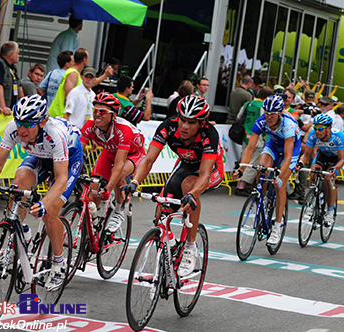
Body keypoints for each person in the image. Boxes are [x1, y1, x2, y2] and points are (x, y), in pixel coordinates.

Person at [0, 94, 83, 291]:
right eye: (19, 122)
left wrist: (44, 204)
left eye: (28, 124)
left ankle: (58, 264)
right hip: (40, 155)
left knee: (51, 212)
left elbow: (61, 179)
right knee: (18, 185)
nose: (21, 129)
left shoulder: (55, 134)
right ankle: (22, 234)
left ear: (42, 122)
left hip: (68, 159)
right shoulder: (13, 128)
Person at [122, 95, 224, 277]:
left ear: (201, 124)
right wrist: (135, 182)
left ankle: (191, 246)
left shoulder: (209, 134)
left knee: (188, 186)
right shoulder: (168, 126)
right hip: (185, 163)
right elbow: (149, 159)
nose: (184, 126)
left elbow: (205, 174)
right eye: (182, 120)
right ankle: (172, 245)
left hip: (210, 168)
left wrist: (192, 195)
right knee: (161, 211)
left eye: (191, 122)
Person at [234, 94, 301, 245]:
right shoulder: (261, 121)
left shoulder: (288, 125)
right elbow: (250, 148)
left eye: (272, 114)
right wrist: (241, 169)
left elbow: (288, 155)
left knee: (280, 184)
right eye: (267, 113)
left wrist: (279, 176)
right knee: (261, 168)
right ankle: (262, 200)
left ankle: (277, 226)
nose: (269, 117)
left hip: (290, 149)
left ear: (280, 113)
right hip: (273, 145)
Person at [79, 92, 146, 232]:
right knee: (94, 188)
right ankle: (95, 224)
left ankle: (119, 209)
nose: (97, 114)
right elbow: (78, 154)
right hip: (109, 152)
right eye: (95, 111)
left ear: (113, 115)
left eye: (102, 111)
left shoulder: (124, 130)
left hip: (133, 154)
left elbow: (120, 163)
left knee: (119, 171)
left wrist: (108, 189)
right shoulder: (90, 126)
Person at [295, 114, 344, 226]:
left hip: (335, 159)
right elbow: (306, 155)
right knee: (313, 173)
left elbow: (342, 159)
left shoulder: (339, 136)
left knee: (329, 179)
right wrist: (300, 163)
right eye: (315, 128)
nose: (317, 131)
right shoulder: (313, 135)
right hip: (323, 156)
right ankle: (312, 201)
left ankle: (330, 211)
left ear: (328, 128)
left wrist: (335, 168)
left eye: (320, 129)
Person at [234, 86, 273, 196]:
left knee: (244, 159)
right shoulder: (263, 107)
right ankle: (242, 185)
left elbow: (238, 117)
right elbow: (264, 121)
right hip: (257, 137)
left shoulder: (247, 104)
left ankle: (239, 183)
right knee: (254, 162)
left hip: (246, 135)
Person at [48, 48, 88, 118]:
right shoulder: (73, 74)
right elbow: (68, 97)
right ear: (84, 60)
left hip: (60, 115)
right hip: (59, 115)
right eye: (88, 58)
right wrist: (68, 117)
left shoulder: (75, 74)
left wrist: (104, 76)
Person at [0, 41, 20, 115]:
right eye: (18, 53)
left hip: (10, 109)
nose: (19, 56)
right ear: (11, 54)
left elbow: (19, 86)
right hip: (0, 110)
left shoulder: (13, 67)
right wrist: (3, 106)